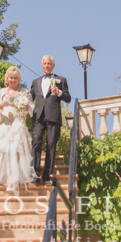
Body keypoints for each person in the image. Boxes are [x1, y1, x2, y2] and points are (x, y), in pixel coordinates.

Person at [0, 66, 37, 194]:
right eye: (11, 78)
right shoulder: (1, 93)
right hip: (4, 124)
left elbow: (32, 109)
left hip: (17, 125)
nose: (13, 80)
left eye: (15, 78)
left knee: (14, 151)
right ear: (7, 78)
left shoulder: (24, 92)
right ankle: (1, 177)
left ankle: (12, 180)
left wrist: (27, 107)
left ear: (18, 79)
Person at [31, 55, 71, 185]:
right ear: (42, 66)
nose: (46, 66)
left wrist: (59, 92)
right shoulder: (35, 82)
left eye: (49, 63)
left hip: (53, 116)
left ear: (53, 65)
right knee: (36, 142)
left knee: (51, 145)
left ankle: (47, 175)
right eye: (44, 64)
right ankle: (35, 174)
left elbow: (68, 98)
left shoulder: (61, 80)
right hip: (38, 116)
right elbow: (29, 100)